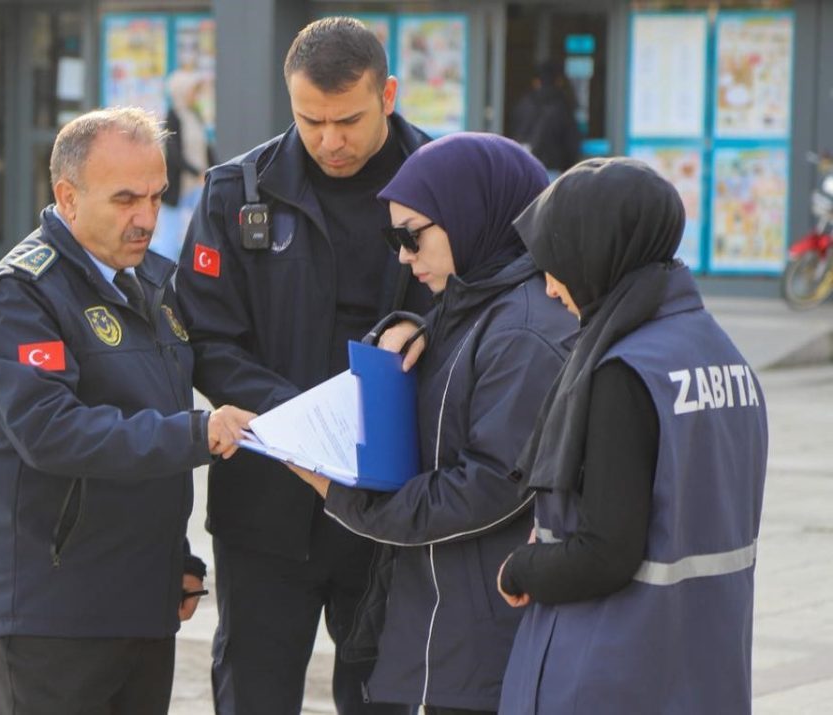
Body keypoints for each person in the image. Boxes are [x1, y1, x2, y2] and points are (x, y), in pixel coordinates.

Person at [175, 16, 433, 714]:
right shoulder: (237, 192)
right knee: (253, 693)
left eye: (347, 120)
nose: (328, 141)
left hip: (394, 505)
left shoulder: (443, 185)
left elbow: (486, 314)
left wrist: (424, 327)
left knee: (384, 696)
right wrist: (305, 419)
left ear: (388, 95)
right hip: (267, 504)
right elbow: (204, 336)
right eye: (309, 120)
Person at [0, 107, 254, 715]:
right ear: (68, 197)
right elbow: (51, 430)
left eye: (156, 196)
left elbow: (147, 410)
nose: (145, 217)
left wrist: (174, 558)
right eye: (125, 199)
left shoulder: (153, 284)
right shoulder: (20, 295)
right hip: (53, 612)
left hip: (142, 602)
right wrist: (198, 434)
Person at [289, 133, 577, 714]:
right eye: (393, 238)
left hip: (490, 636)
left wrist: (343, 496)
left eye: (411, 235)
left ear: (472, 216)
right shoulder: (473, 302)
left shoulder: (522, 332)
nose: (402, 255)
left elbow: (485, 488)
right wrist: (406, 327)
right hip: (461, 626)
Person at [496, 158, 769, 714]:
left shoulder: (623, 371)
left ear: (600, 253)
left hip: (613, 672)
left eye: (557, 263)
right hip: (704, 666)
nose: (550, 286)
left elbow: (606, 553)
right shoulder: (721, 353)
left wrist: (522, 568)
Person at [152, 69, 214, 261]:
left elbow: (206, 148)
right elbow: (173, 154)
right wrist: (196, 171)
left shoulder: (195, 115)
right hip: (178, 185)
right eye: (192, 90)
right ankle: (164, 273)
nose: (195, 95)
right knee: (169, 235)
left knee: (205, 228)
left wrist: (214, 170)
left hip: (198, 183)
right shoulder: (172, 117)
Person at [509, 60, 580, 177]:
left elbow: (515, 134)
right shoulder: (562, 107)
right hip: (553, 168)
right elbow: (571, 144)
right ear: (558, 81)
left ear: (536, 82)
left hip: (525, 167)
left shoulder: (523, 105)